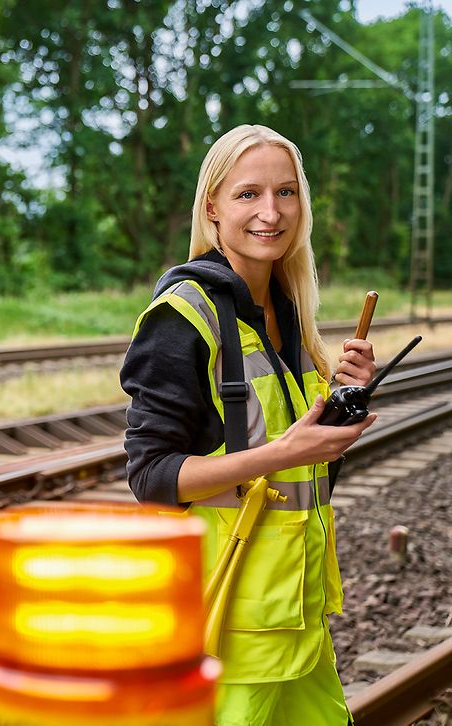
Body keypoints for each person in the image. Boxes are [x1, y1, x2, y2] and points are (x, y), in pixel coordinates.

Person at [119, 124, 376, 726]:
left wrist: (341, 401)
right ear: (212, 206)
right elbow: (152, 477)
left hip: (297, 620)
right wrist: (285, 451)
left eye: (286, 193)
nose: (271, 212)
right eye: (247, 194)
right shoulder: (181, 318)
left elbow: (304, 473)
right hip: (226, 628)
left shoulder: (284, 312)